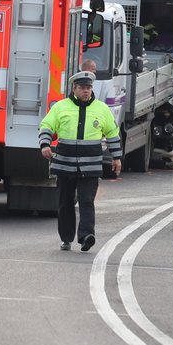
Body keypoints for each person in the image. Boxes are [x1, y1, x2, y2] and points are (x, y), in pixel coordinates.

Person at [39, 71, 121, 252]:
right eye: (82, 88)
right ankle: (66, 238)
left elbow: (113, 134)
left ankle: (86, 236)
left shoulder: (102, 109)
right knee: (66, 202)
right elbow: (46, 126)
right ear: (74, 89)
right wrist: (45, 145)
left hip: (90, 166)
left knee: (86, 201)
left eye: (89, 88)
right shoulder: (60, 107)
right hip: (64, 164)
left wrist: (117, 158)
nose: (86, 91)